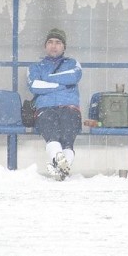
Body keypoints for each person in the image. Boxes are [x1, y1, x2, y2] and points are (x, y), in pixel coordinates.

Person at [28, 28, 83, 181]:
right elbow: (34, 86)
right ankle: (61, 167)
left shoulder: (73, 63)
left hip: (70, 108)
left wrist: (47, 79)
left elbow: (74, 76)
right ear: (45, 46)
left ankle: (60, 168)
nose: (54, 46)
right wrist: (61, 85)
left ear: (64, 47)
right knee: (51, 135)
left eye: (58, 42)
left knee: (67, 140)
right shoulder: (35, 67)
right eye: (50, 42)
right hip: (45, 108)